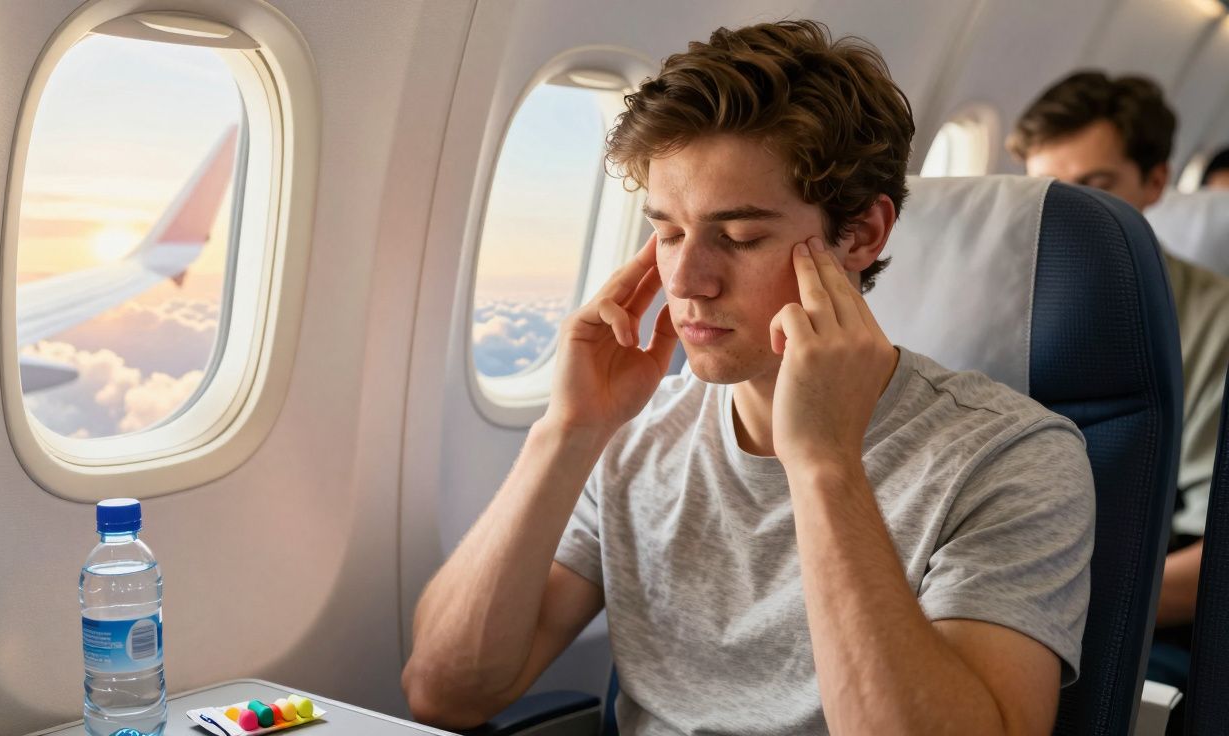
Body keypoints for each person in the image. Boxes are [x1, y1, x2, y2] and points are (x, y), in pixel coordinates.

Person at [404, 21, 1094, 735]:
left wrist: (825, 466)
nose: (687, 280)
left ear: (859, 235)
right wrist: (568, 432)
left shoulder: (1012, 458)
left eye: (739, 237)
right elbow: (445, 691)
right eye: (668, 232)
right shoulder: (637, 434)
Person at [1009, 71, 1229, 691]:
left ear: (1155, 181)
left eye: (1094, 189)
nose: (1066, 218)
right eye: (1046, 192)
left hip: (1143, 618)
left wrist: (1059, 614)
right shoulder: (990, 307)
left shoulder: (1217, 322)